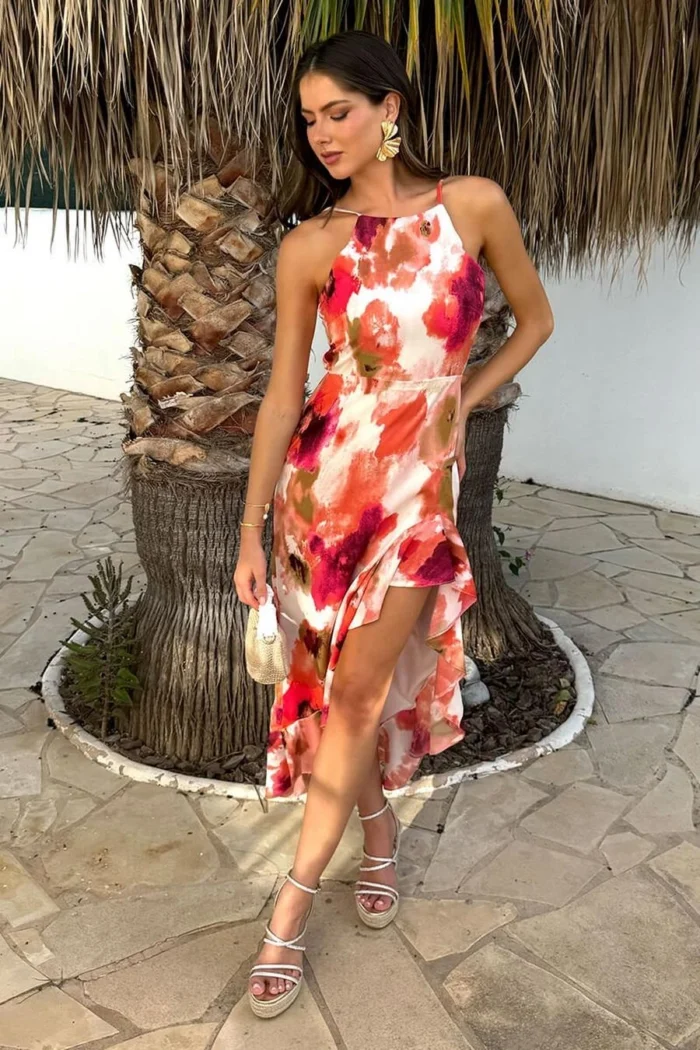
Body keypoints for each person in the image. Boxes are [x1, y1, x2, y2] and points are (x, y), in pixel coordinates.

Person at [233, 28, 554, 1019]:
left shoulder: (472, 205)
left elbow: (535, 321)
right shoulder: (310, 246)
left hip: (416, 503)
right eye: (309, 120)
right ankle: (378, 829)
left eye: (339, 111)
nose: (323, 134)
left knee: (360, 697)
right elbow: (284, 397)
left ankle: (288, 910)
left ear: (389, 108)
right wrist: (249, 528)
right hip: (320, 499)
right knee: (339, 699)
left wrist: (462, 402)